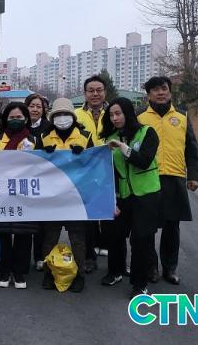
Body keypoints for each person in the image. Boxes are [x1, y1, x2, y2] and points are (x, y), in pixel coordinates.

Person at [137, 76, 198, 285]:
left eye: (164, 88)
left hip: (174, 178)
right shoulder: (139, 117)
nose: (160, 93)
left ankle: (170, 268)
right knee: (147, 228)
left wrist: (194, 175)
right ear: (148, 95)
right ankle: (151, 267)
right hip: (148, 179)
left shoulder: (182, 117)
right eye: (155, 90)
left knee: (172, 227)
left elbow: (192, 147)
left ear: (170, 92)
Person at [100, 97, 162, 298]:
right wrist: (112, 198)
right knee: (115, 234)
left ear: (128, 113)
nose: (115, 118)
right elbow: (107, 171)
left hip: (147, 195)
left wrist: (123, 147)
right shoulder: (110, 138)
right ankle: (116, 271)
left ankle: (139, 283)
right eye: (111, 115)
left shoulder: (147, 133)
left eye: (118, 113)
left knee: (141, 239)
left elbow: (144, 161)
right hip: (123, 195)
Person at [36, 97, 94, 293]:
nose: (62, 118)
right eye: (58, 114)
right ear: (52, 117)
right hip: (52, 197)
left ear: (73, 116)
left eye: (65, 114)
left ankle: (79, 274)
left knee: (78, 238)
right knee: (50, 237)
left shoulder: (85, 136)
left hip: (76, 196)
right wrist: (43, 154)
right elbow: (34, 166)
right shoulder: (44, 136)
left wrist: (83, 156)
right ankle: (49, 273)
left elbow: (94, 164)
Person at [0, 102, 36, 289]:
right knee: (2, 234)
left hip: (26, 194)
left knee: (23, 235)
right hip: (1, 194)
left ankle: (19, 272)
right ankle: (4, 270)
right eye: (12, 117)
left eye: (19, 117)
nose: (15, 120)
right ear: (5, 119)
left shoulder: (34, 140)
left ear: (26, 119)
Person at [75, 75, 110, 273]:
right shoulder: (76, 115)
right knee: (87, 215)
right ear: (85, 93)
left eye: (99, 90)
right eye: (91, 90)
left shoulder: (114, 113)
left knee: (109, 212)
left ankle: (107, 246)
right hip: (85, 171)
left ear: (105, 92)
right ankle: (89, 256)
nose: (95, 94)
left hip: (110, 170)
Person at [24, 93, 51, 271]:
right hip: (23, 180)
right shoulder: (19, 125)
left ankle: (40, 256)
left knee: (42, 222)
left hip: (44, 179)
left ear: (43, 110)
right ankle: (23, 258)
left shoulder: (50, 128)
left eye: (38, 106)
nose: (35, 109)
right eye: (32, 106)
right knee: (26, 222)